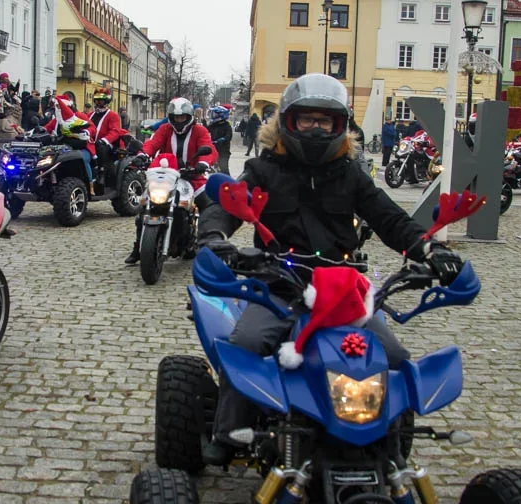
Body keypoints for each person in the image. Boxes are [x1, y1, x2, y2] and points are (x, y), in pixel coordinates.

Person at [195, 74, 463, 465]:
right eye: (307, 120)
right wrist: (214, 237)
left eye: (326, 121)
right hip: (278, 286)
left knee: (392, 356)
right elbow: (228, 204)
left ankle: (391, 443)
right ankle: (228, 435)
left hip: (342, 291)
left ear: (340, 126)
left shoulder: (350, 172)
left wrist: (428, 248)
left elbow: (389, 218)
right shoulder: (263, 169)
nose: (316, 127)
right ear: (289, 121)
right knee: (245, 345)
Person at [124, 97, 217, 264]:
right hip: (166, 175)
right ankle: (139, 247)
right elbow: (152, 144)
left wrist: (203, 163)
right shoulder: (165, 129)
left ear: (189, 117)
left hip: (193, 176)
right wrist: (142, 156)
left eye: (182, 117)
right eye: (176, 117)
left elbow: (208, 148)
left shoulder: (200, 131)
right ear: (171, 117)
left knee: (208, 206)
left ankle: (209, 247)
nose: (179, 120)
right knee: (145, 206)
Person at [89, 88, 125, 181]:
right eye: (96, 100)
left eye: (100, 101)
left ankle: (101, 173)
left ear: (106, 101)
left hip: (107, 144)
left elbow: (115, 131)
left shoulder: (113, 115)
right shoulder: (90, 115)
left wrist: (104, 140)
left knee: (99, 146)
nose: (97, 103)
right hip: (91, 142)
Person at [207, 104, 234, 174]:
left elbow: (229, 136)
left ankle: (229, 183)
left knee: (223, 168)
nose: (214, 116)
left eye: (216, 114)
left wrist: (223, 139)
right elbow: (205, 131)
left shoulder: (227, 125)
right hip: (213, 149)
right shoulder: (213, 125)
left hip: (223, 151)